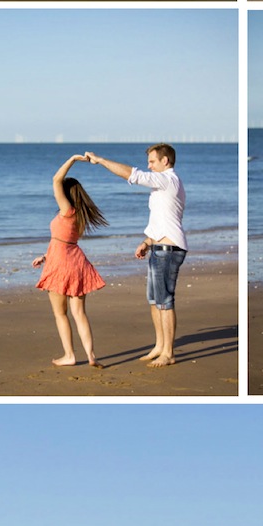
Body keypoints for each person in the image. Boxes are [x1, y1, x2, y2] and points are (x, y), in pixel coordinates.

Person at [84, 144, 186, 366]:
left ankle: (168, 353)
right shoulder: (163, 185)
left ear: (165, 161)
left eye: (152, 161)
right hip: (159, 247)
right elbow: (165, 218)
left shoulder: (167, 179)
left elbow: (132, 175)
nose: (149, 165)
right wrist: (147, 241)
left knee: (165, 301)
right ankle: (159, 346)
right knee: (154, 300)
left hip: (169, 250)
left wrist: (100, 160)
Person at [33, 155, 107, 367]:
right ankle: (91, 356)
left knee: (60, 314)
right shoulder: (80, 215)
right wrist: (45, 256)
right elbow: (64, 241)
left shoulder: (67, 211)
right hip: (77, 262)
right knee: (79, 313)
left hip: (61, 266)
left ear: (65, 195)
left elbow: (56, 179)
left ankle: (70, 355)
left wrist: (73, 158)